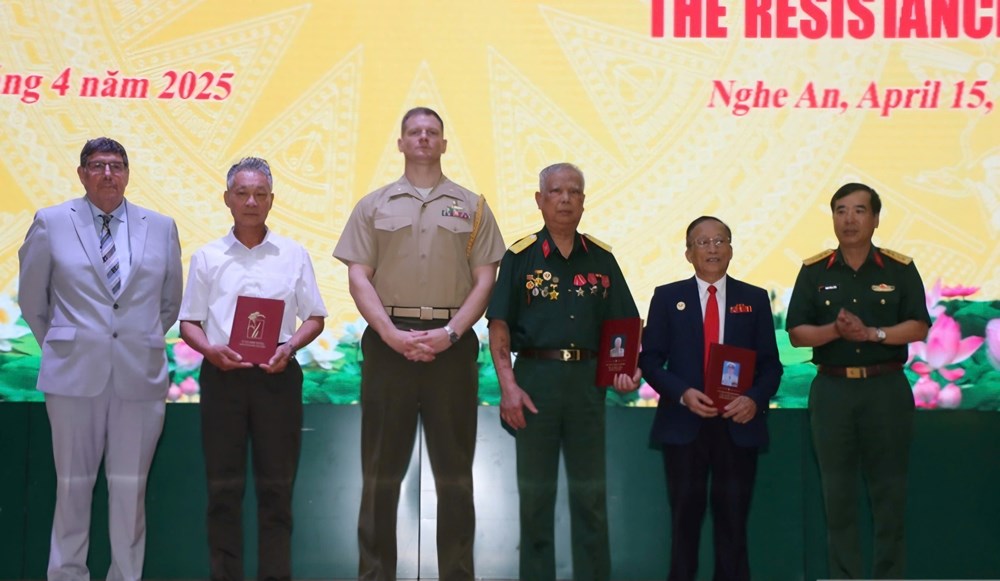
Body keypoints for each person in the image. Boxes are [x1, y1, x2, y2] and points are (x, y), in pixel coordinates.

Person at [334, 106, 505, 581]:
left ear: (444, 143)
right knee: (380, 474)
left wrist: (451, 334)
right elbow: (358, 276)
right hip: (388, 345)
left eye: (432, 132)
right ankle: (375, 575)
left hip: (452, 345)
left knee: (455, 475)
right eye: (415, 131)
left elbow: (485, 279)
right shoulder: (373, 205)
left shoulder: (473, 206)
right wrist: (389, 334)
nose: (424, 138)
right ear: (401, 143)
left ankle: (457, 574)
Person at [17, 137, 183, 581]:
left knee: (131, 492)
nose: (108, 173)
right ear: (81, 173)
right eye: (97, 165)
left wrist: (134, 339)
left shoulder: (161, 227)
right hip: (73, 376)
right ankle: (67, 574)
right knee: (72, 488)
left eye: (116, 165)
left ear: (127, 173)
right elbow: (32, 298)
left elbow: (169, 303)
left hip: (139, 376)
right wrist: (66, 344)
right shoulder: (51, 222)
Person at [487, 162, 641, 581]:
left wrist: (627, 372)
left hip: (587, 384)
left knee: (590, 499)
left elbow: (625, 325)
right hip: (535, 383)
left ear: (584, 201)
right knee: (535, 499)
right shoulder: (519, 257)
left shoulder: (602, 259)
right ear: (540, 200)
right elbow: (499, 324)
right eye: (556, 191)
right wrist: (508, 387)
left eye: (574, 191)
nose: (565, 199)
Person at [178, 157, 327, 581]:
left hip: (277, 375)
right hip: (223, 375)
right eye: (242, 193)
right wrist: (210, 350)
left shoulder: (293, 254)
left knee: (277, 491)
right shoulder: (207, 257)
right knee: (222, 491)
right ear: (227, 199)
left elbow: (315, 317)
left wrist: (290, 346)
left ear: (271, 200)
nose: (251, 202)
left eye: (260, 194)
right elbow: (189, 322)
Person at [786, 183, 930, 579]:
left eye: (859, 211)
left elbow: (919, 326)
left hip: (885, 390)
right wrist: (835, 330)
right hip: (832, 392)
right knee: (837, 496)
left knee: (889, 494)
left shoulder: (899, 269)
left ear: (876, 218)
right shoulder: (814, 271)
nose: (849, 219)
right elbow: (797, 333)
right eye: (841, 211)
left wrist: (872, 334)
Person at [638, 216, 782, 581]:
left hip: (737, 424)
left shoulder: (754, 299)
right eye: (702, 242)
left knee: (733, 523)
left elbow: (771, 366)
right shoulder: (667, 297)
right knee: (684, 523)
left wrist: (753, 400)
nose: (712, 248)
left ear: (731, 249)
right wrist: (682, 393)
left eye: (720, 240)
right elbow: (650, 360)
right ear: (688, 253)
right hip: (684, 425)